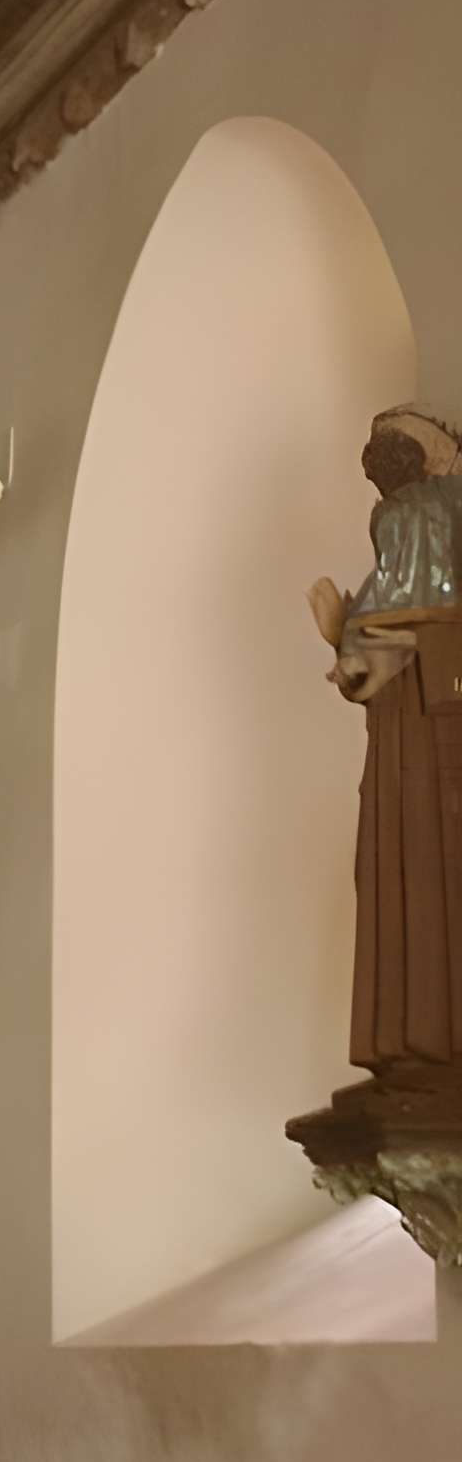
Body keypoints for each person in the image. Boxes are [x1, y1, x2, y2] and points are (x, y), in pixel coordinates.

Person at [311, 407, 462, 1069]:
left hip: (420, 710)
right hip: (431, 697)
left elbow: (395, 614)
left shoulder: (413, 511)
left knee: (416, 861)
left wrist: (343, 635)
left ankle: (422, 1035)